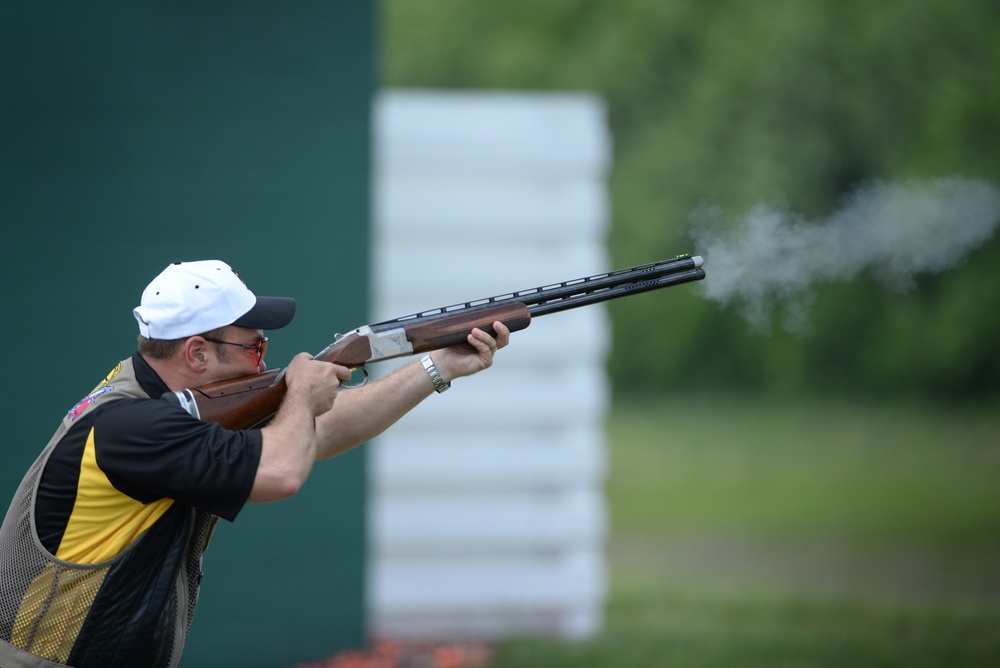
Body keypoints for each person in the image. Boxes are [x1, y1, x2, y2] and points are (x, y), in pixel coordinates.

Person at [0, 259, 510, 668]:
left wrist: (438, 366)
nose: (266, 363)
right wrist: (302, 394)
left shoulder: (165, 404)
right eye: (255, 346)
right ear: (198, 353)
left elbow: (320, 431)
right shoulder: (136, 427)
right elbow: (282, 470)